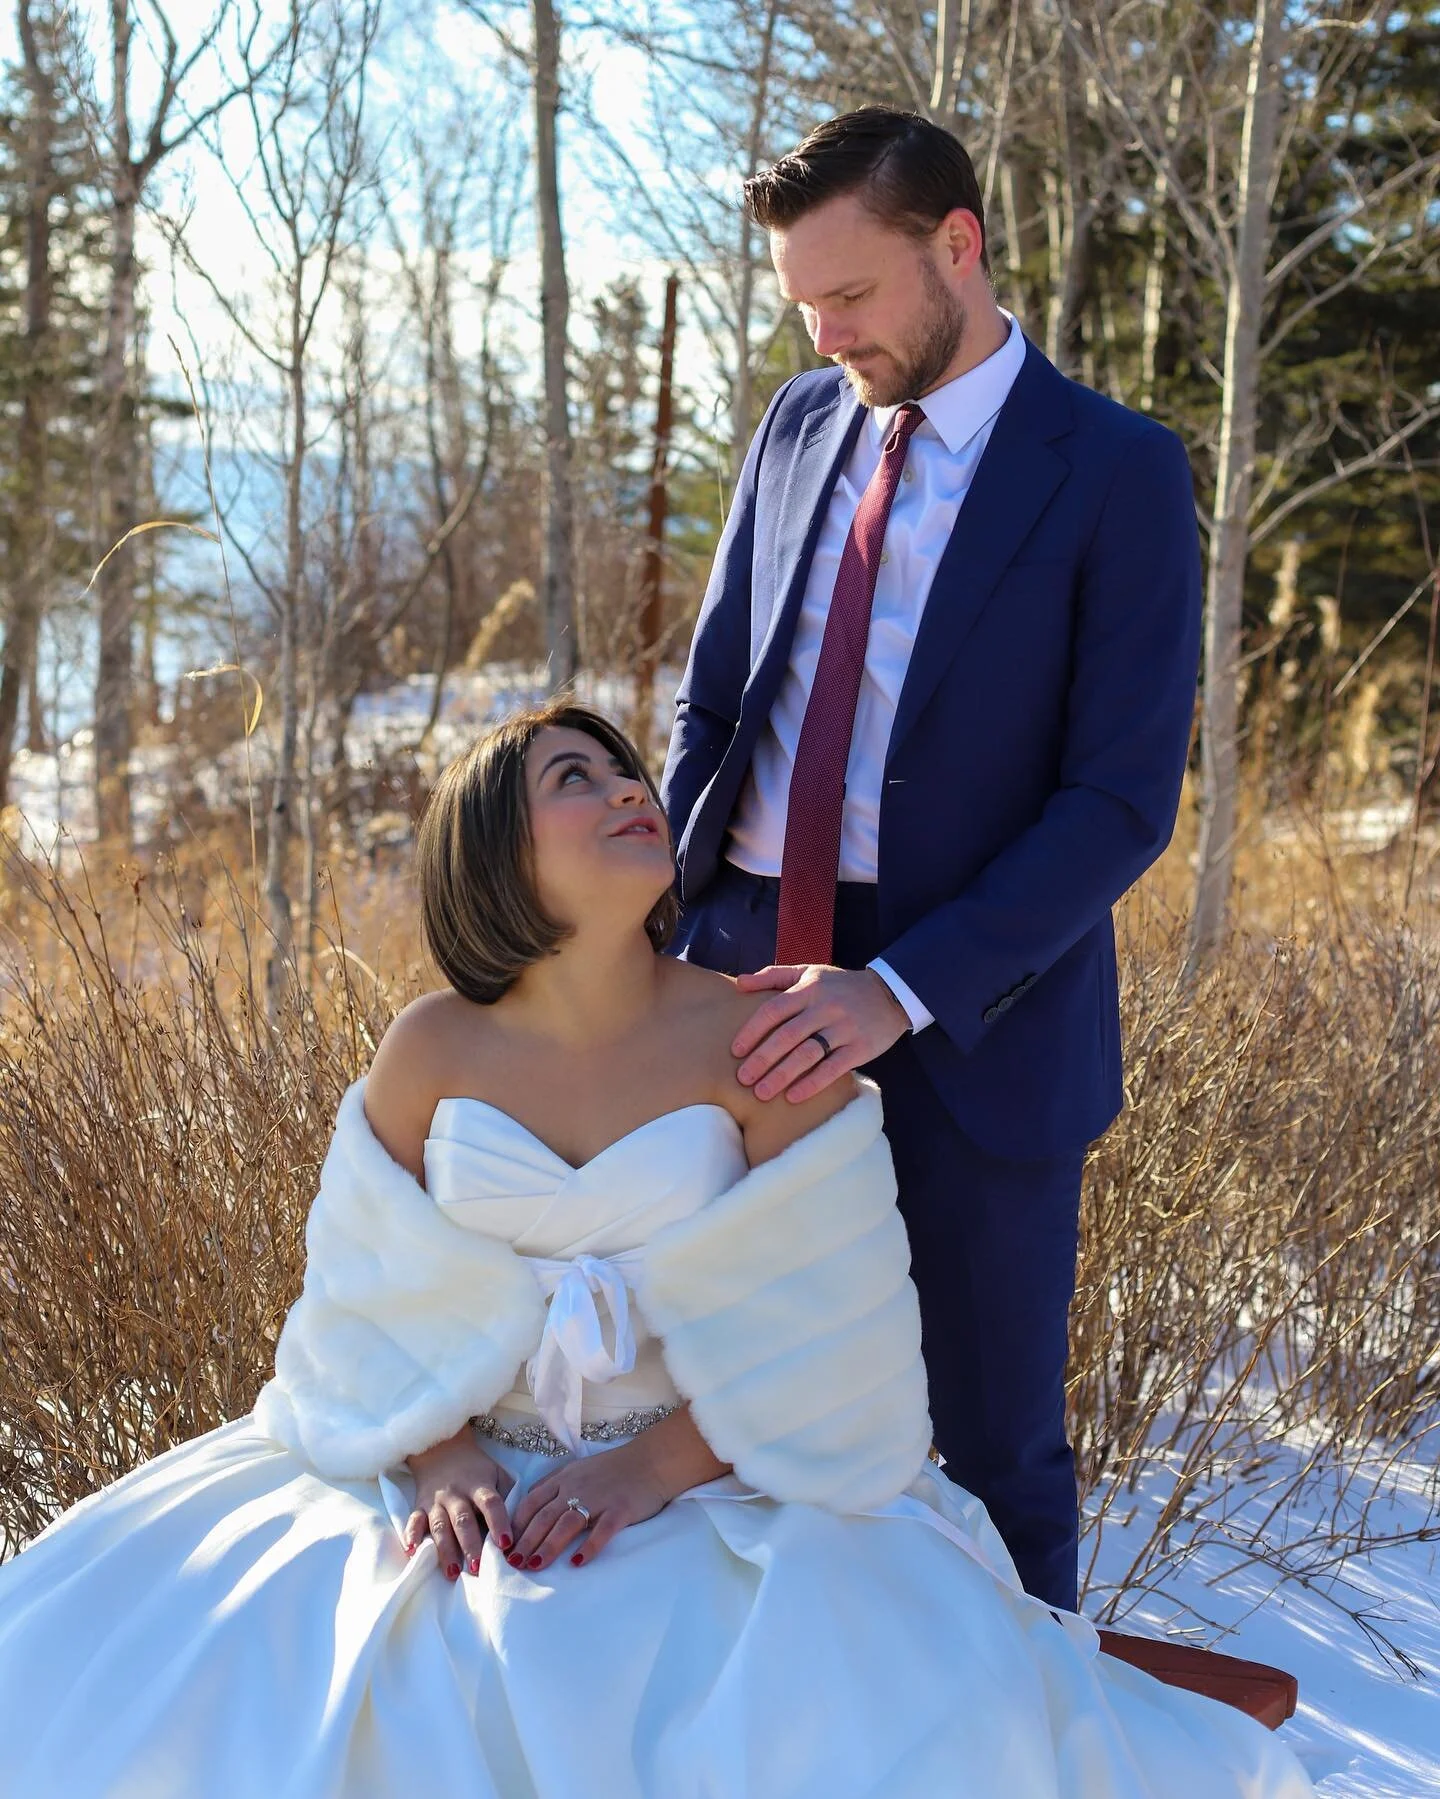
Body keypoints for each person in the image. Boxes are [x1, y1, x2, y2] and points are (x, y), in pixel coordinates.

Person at [0, 702, 1310, 1799]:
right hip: (463, 1468)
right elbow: (363, 1297)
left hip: (713, 1476)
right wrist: (438, 1448)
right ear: (492, 853)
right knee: (230, 1669)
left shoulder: (759, 1039)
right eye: (574, 778)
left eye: (627, 770)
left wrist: (647, 1470)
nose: (630, 788)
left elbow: (838, 1334)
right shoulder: (429, 1047)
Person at [661, 105, 1204, 1617]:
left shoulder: (1116, 470)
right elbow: (717, 699)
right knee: (717, 1406)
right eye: (803, 305)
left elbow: (1118, 803)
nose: (827, 335)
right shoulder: (797, 425)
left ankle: (1022, 1721)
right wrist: (668, 927)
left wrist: (896, 989)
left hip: (973, 1016)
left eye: (851, 294)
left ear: (956, 246)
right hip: (736, 979)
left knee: (989, 1443)